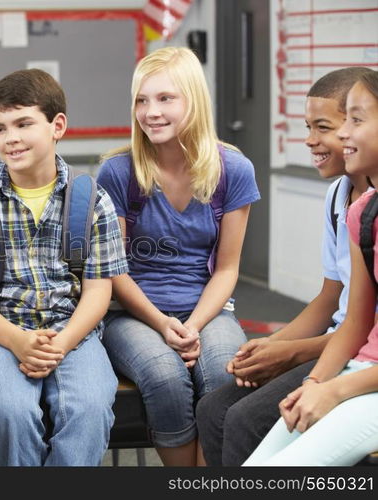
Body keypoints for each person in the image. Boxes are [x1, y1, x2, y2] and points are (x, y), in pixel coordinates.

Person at [0, 69, 128, 466]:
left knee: (88, 410)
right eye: (0, 128)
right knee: (11, 412)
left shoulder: (91, 200)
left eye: (23, 124)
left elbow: (98, 289)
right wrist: (17, 340)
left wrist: (66, 340)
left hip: (73, 332)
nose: (11, 138)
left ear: (58, 126)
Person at [196, 67, 373, 466]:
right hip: (340, 344)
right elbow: (332, 299)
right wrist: (270, 347)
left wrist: (292, 354)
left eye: (323, 127)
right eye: (308, 126)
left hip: (357, 355)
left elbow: (363, 332)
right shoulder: (342, 198)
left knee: (242, 419)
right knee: (213, 409)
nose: (311, 140)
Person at [96, 46, 260, 466]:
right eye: (141, 100)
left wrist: (192, 324)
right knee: (165, 376)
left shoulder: (233, 170)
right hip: (131, 313)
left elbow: (226, 269)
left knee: (225, 373)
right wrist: (163, 324)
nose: (151, 112)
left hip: (207, 309)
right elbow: (113, 272)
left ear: (194, 100)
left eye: (166, 98)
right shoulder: (118, 172)